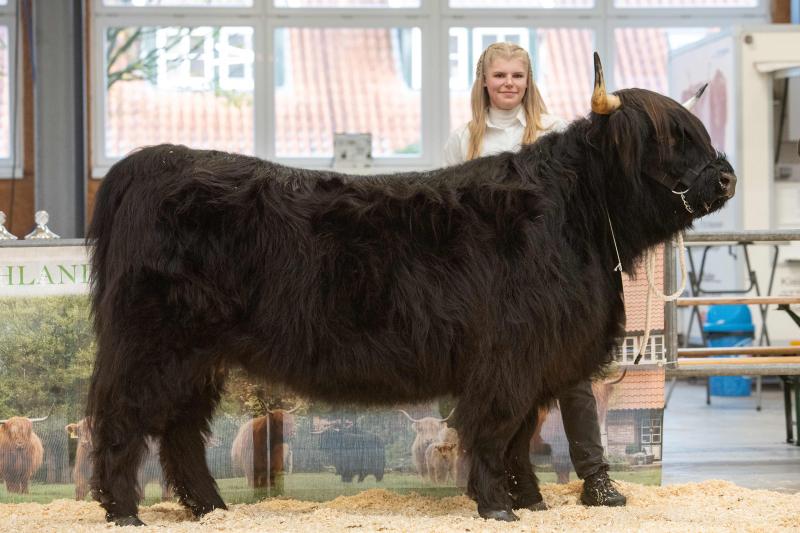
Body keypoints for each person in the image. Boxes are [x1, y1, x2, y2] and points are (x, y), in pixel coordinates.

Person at [443, 41, 626, 508]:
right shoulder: (463, 139)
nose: (508, 84)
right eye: (500, 75)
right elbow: (448, 213)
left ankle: (595, 476)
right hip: (486, 287)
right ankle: (508, 477)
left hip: (549, 281)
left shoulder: (554, 131)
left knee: (571, 374)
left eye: (517, 76)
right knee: (495, 378)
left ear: (529, 82)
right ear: (484, 81)